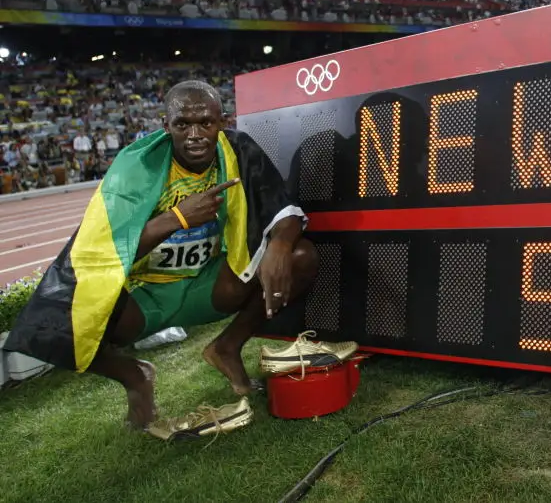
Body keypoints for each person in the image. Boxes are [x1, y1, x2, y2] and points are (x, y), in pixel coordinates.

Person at [4, 80, 317, 432]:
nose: (195, 134)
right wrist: (178, 218)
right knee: (57, 321)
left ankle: (227, 348)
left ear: (222, 122)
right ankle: (134, 376)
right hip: (143, 296)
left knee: (300, 255)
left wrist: (279, 245)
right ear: (166, 125)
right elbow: (104, 250)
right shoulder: (136, 166)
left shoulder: (238, 150)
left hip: (210, 284)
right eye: (183, 124)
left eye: (206, 123)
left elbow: (284, 209)